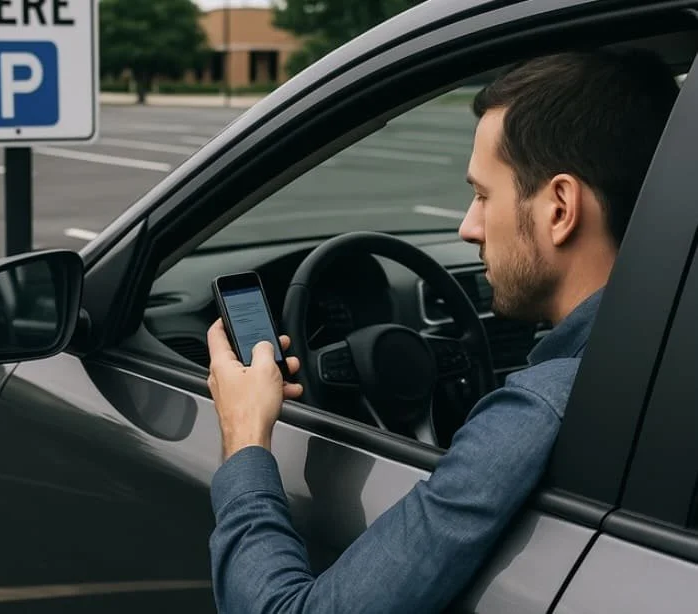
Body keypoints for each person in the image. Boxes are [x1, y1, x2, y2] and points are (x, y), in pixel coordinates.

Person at [204, 49, 680, 613]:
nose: (467, 226)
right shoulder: (664, 356)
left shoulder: (542, 410)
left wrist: (243, 439)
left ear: (559, 208)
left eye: (482, 196)